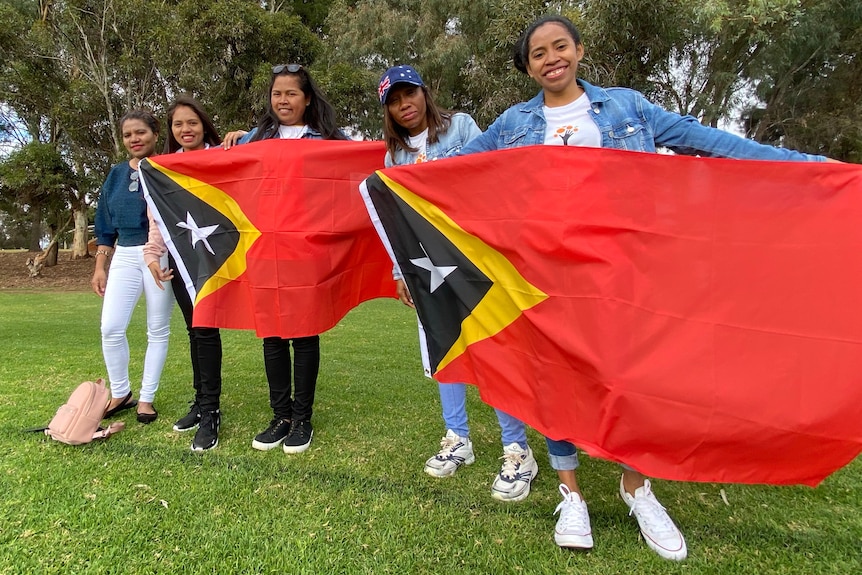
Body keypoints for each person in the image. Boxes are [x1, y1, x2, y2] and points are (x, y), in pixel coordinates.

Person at [461, 14, 829, 560]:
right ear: (528, 66)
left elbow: (708, 141)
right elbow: (451, 171)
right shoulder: (513, 123)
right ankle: (571, 493)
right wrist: (382, 180)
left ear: (579, 50)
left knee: (631, 384)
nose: (550, 59)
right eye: (537, 54)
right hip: (545, 280)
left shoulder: (628, 108)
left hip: (624, 274)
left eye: (559, 46)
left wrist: (811, 168)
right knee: (556, 384)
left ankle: (637, 487)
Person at [379, 64, 538, 502]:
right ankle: (458, 439)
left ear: (424, 93)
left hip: (474, 260)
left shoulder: (462, 126)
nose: (403, 105)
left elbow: (487, 180)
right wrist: (400, 272)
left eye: (408, 94)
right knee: (445, 348)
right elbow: (396, 217)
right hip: (427, 267)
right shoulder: (393, 156)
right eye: (393, 101)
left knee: (494, 348)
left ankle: (517, 448)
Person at [222, 64, 347, 454]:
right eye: (277, 94)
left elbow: (354, 169)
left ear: (307, 98)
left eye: (291, 93)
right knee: (272, 335)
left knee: (304, 333)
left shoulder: (327, 138)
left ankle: (302, 420)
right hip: (263, 247)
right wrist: (231, 140)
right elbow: (221, 169)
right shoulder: (258, 138)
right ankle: (280, 416)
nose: (283, 100)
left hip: (304, 250)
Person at [144, 96, 224, 451]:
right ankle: (201, 400)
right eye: (178, 124)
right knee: (195, 331)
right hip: (181, 260)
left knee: (206, 330)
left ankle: (211, 412)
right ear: (171, 131)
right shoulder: (162, 169)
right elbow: (157, 219)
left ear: (204, 125)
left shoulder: (221, 156)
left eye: (192, 122)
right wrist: (152, 255)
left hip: (217, 257)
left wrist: (243, 134)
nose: (185, 130)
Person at [91, 110, 174, 425]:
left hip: (160, 254)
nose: (134, 139)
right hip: (124, 255)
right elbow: (105, 223)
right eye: (128, 135)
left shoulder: (167, 168)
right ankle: (121, 393)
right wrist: (101, 265)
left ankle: (147, 399)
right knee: (111, 328)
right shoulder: (114, 175)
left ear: (154, 134)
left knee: (157, 329)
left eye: (141, 132)